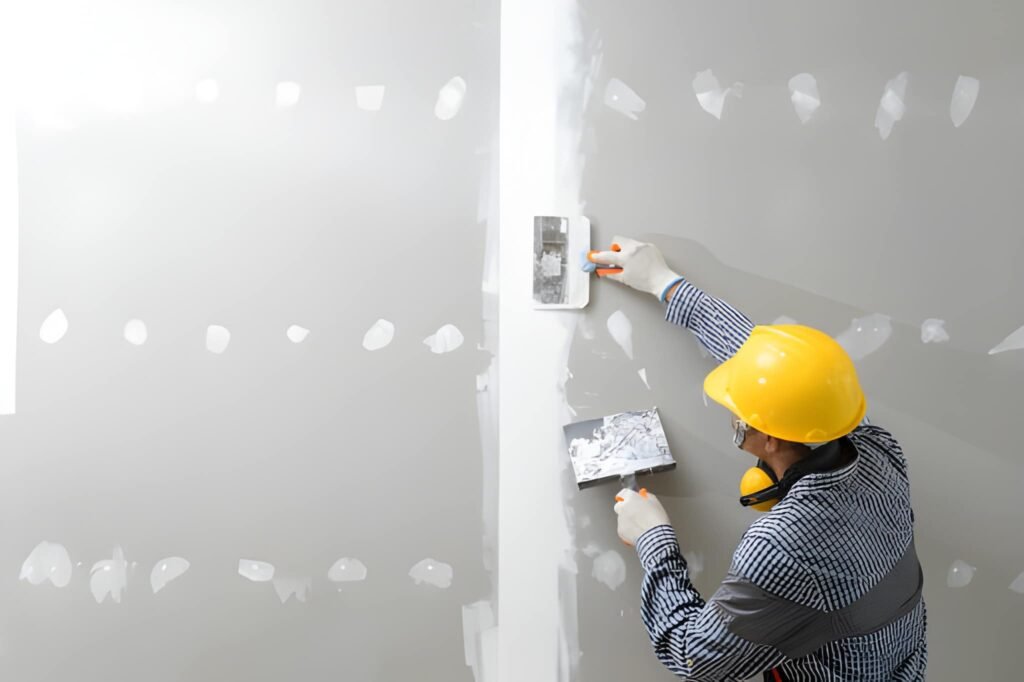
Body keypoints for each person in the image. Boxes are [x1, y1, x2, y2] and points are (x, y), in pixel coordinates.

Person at [590, 237, 927, 681]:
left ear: (766, 438)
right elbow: (772, 368)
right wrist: (664, 282)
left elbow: (695, 657)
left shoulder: (783, 547)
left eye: (737, 411)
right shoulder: (876, 449)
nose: (732, 413)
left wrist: (654, 538)